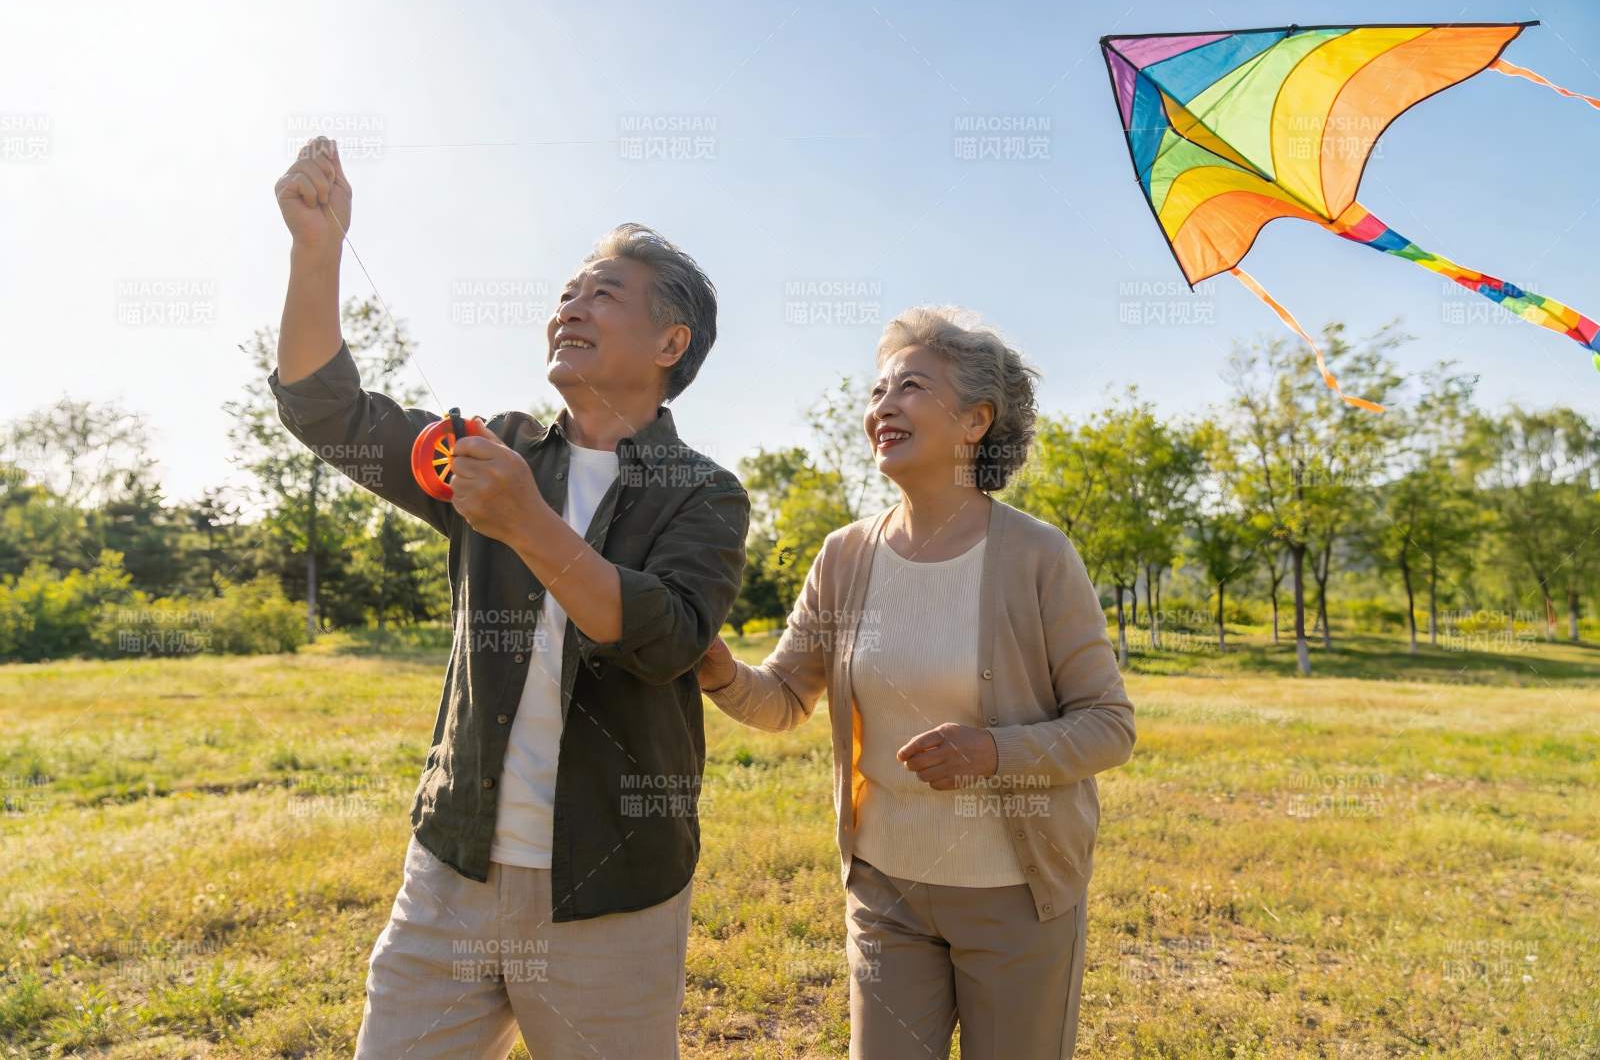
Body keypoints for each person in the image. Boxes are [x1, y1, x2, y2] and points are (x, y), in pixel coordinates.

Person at [271, 136, 748, 1059]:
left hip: (612, 889)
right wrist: (315, 250)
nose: (570, 303)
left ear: (669, 342)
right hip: (452, 869)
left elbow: (666, 637)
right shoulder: (493, 450)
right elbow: (329, 414)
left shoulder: (703, 491)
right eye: (567, 290)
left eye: (603, 291)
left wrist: (527, 523)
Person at [696, 305, 1135, 1059]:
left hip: (1016, 895)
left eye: (910, 386)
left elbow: (1109, 724)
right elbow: (784, 697)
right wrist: (716, 667)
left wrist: (992, 752)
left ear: (975, 421)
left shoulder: (1038, 556)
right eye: (877, 391)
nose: (882, 407)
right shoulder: (844, 556)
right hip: (884, 889)